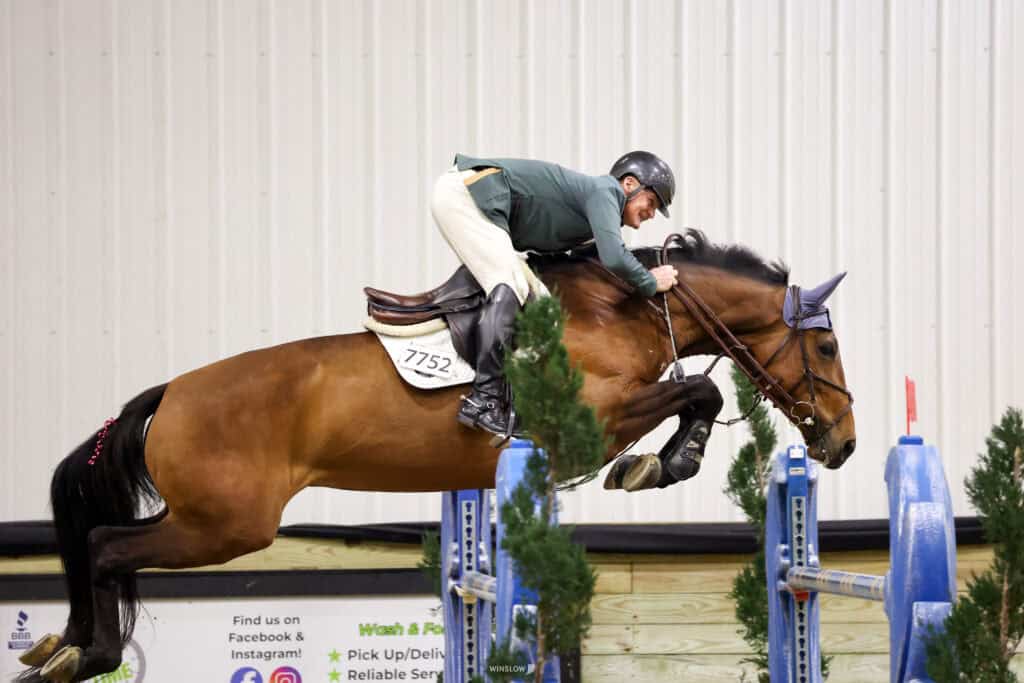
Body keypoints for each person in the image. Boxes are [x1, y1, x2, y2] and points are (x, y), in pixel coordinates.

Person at [430, 150, 680, 435]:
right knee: (510, 283)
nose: (651, 213)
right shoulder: (605, 191)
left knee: (544, 308)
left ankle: (515, 399)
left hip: (478, 201)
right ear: (629, 184)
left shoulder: (595, 218)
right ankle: (484, 399)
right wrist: (649, 281)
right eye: (651, 202)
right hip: (466, 194)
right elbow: (614, 256)